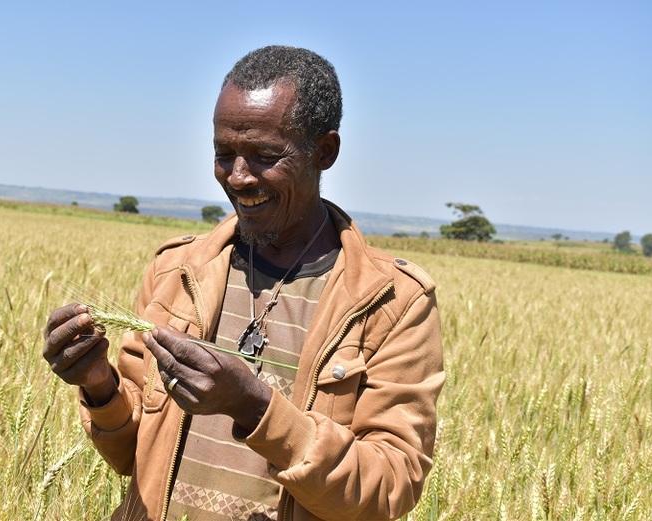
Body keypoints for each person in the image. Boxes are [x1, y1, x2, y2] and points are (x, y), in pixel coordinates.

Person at [43, 46, 444, 521]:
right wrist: (98, 384)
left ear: (325, 152)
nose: (238, 177)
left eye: (264, 156)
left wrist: (255, 407)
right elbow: (131, 454)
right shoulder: (176, 271)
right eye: (223, 154)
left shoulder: (392, 303)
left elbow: (387, 489)